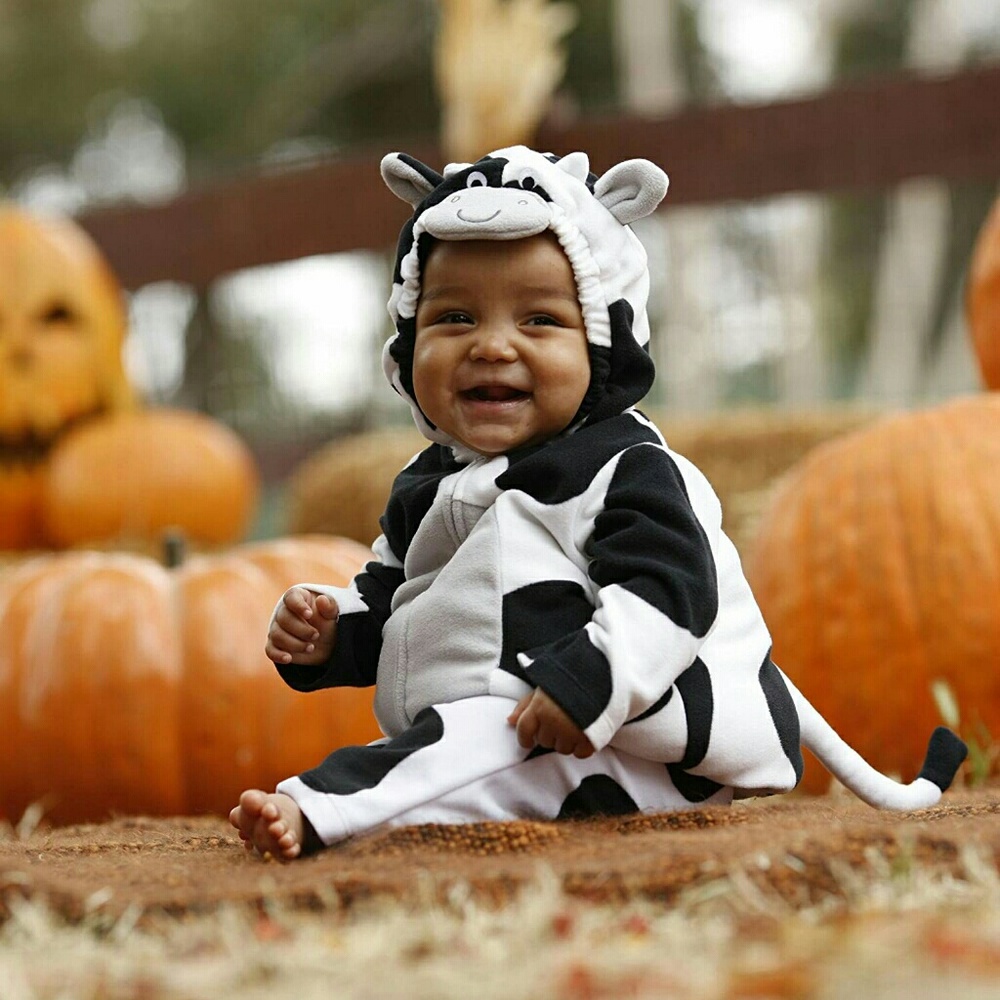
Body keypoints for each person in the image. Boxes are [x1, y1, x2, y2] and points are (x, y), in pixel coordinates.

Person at [231, 146, 966, 860]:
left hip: (636, 740)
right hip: (523, 734)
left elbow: (670, 593)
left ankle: (317, 806)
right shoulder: (424, 485)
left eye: (539, 321)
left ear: (604, 344)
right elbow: (397, 606)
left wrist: (591, 678)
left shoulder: (622, 466)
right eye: (454, 318)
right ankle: (378, 804)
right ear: (406, 343)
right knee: (458, 760)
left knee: (470, 742)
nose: (491, 346)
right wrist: (334, 631)